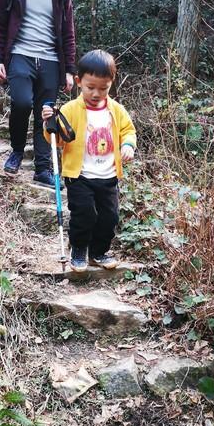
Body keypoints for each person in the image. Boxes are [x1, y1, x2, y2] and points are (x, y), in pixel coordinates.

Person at [0, 0, 76, 188]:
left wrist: (70, 70)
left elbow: (68, 33)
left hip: (51, 60)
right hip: (20, 55)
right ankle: (16, 151)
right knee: (22, 101)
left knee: (46, 113)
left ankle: (42, 168)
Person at [42, 50, 136, 272]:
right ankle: (78, 250)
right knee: (84, 214)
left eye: (103, 88)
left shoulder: (116, 110)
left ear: (111, 83)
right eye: (90, 87)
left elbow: (128, 131)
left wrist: (128, 145)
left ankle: (98, 252)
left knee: (109, 217)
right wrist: (49, 124)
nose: (96, 93)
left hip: (108, 175)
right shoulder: (70, 109)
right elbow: (56, 140)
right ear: (78, 82)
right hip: (80, 175)